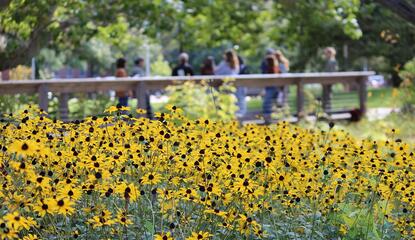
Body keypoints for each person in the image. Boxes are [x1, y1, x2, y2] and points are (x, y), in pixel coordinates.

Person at [214, 49, 245, 117]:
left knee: (222, 102)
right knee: (233, 102)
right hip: (234, 86)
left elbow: (216, 72)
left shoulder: (224, 64)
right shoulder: (236, 64)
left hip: (224, 86)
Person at [262, 54, 280, 124]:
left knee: (267, 104)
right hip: (273, 88)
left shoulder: (271, 70)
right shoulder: (275, 69)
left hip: (271, 88)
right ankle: (273, 119)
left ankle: (268, 120)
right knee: (272, 104)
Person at [322, 47, 338, 112]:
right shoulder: (329, 61)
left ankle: (328, 111)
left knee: (327, 96)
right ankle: (326, 110)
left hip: (329, 81)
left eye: (326, 53)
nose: (325, 55)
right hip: (326, 81)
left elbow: (333, 72)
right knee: (326, 96)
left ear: (330, 53)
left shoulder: (332, 61)